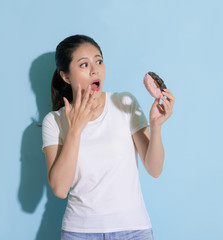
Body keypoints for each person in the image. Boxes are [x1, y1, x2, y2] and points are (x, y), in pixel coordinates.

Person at [42, 34, 175, 240]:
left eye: (99, 61)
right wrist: (75, 129)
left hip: (134, 229)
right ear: (66, 76)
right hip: (80, 232)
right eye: (84, 65)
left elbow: (154, 169)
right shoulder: (55, 121)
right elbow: (60, 188)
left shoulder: (124, 102)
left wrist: (156, 127)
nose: (95, 69)